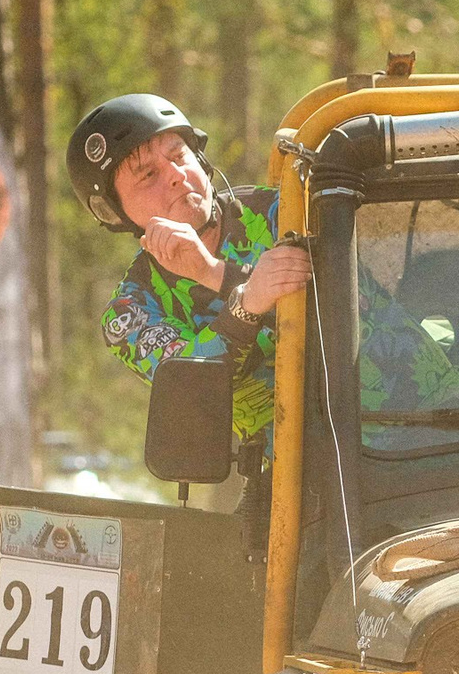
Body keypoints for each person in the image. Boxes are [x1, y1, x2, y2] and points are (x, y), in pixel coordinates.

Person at [67, 94, 315, 442]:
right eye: (148, 174)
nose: (175, 175)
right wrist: (245, 305)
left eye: (178, 155)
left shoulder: (284, 209)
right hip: (294, 476)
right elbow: (196, 391)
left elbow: (355, 299)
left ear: (200, 158)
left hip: (409, 418)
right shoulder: (131, 309)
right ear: (115, 211)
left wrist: (216, 273)